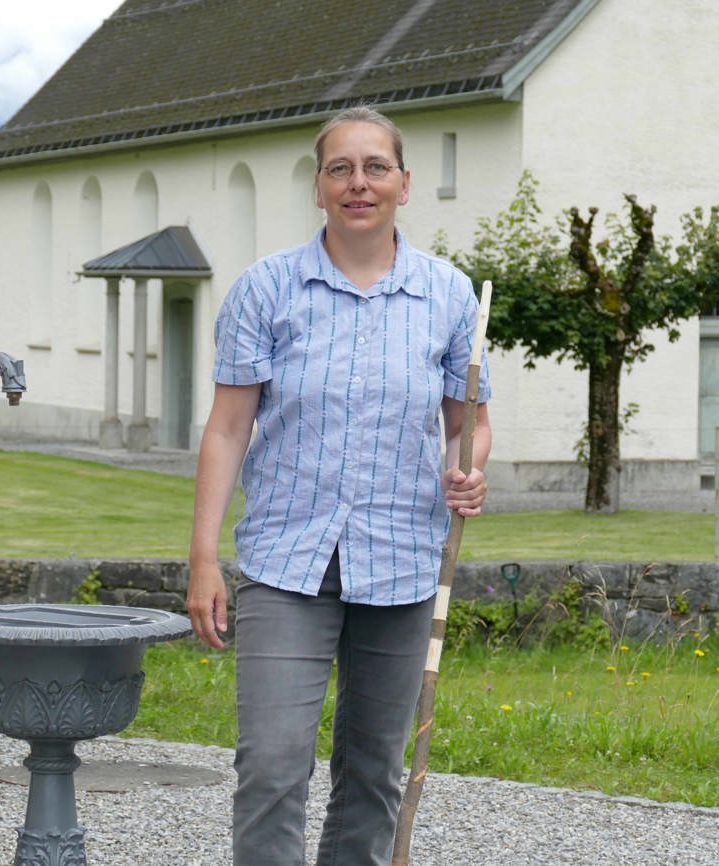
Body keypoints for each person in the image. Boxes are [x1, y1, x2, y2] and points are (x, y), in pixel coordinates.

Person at [186, 105, 492, 866]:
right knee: (271, 765)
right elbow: (227, 429)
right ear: (319, 187)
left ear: (404, 183)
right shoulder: (266, 291)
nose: (360, 184)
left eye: (375, 167)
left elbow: (470, 422)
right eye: (341, 169)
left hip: (403, 561)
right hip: (287, 563)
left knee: (374, 774)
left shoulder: (449, 297)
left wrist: (470, 468)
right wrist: (202, 560)